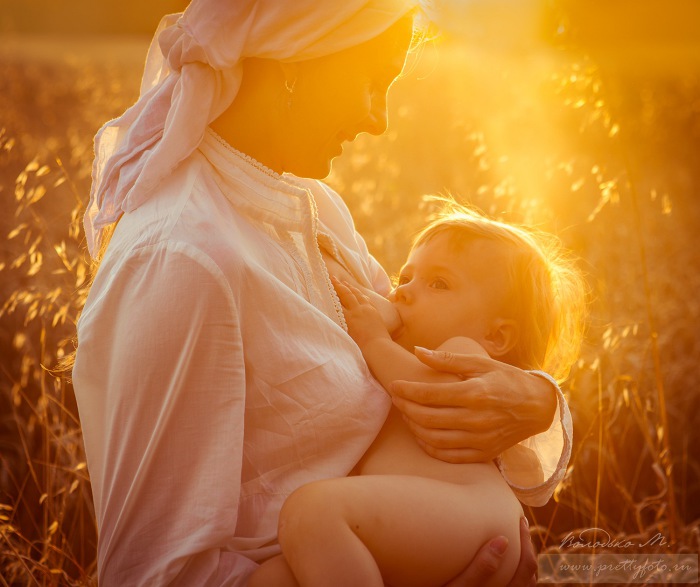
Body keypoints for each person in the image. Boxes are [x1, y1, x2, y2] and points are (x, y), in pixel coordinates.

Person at [71, 1, 574, 585]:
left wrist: (538, 400)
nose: (378, 120)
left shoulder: (314, 210)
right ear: (299, 59)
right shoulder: (186, 258)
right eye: (372, 82)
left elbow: (430, 356)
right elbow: (150, 574)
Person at [248, 203, 586, 587]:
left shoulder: (466, 353)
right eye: (404, 277)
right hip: (423, 523)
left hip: (471, 513)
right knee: (270, 579)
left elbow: (432, 395)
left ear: (496, 336)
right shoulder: (401, 350)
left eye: (438, 283)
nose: (405, 293)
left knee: (311, 514)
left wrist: (374, 338)